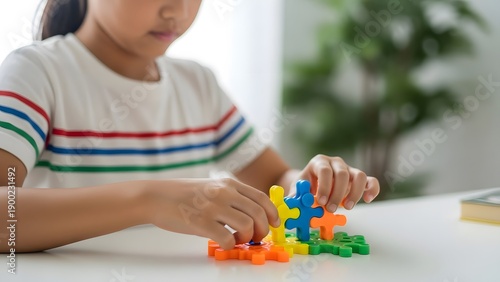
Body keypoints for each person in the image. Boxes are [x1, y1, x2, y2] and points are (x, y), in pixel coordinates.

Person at [0, 0, 379, 253]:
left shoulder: (197, 83)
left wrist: (311, 184)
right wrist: (148, 200)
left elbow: (275, 178)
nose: (177, 11)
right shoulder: (37, 73)